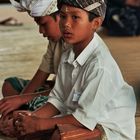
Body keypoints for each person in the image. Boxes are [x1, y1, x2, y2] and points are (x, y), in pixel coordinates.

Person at [13, 0, 136, 140]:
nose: (66, 24)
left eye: (75, 17)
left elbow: (83, 119)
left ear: (95, 23)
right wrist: (31, 118)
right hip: (76, 117)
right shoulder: (69, 54)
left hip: (105, 128)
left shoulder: (100, 66)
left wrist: (39, 124)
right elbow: (58, 99)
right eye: (63, 16)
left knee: (61, 136)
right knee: (26, 131)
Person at [0, 0, 70, 137]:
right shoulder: (54, 42)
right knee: (10, 85)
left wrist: (20, 103)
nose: (40, 31)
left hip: (65, 97)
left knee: (33, 107)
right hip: (55, 90)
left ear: (60, 18)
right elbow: (39, 78)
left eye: (43, 24)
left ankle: (25, 120)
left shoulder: (75, 45)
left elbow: (65, 94)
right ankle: (22, 118)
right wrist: (17, 102)